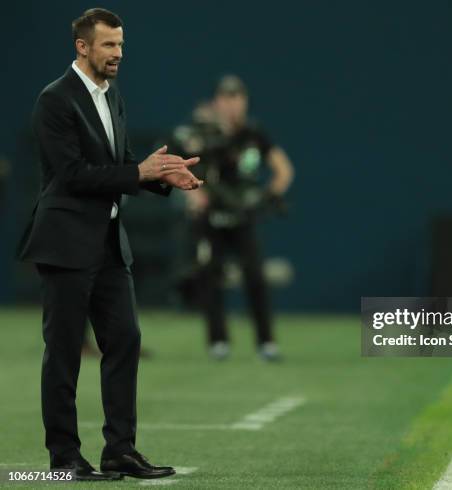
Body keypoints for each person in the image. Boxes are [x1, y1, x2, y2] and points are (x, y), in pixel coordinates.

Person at [16, 8, 202, 481]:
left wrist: (160, 177)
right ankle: (63, 458)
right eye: (108, 46)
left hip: (108, 245)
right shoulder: (54, 100)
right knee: (63, 353)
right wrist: (136, 173)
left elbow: (120, 162)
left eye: (120, 45)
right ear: (82, 47)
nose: (118, 54)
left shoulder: (111, 95)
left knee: (125, 340)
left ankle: (120, 450)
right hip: (64, 244)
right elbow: (72, 175)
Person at [181, 75, 294, 361]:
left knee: (255, 277)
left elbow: (283, 169)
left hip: (243, 217)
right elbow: (184, 169)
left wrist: (267, 197)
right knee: (210, 277)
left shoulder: (254, 134)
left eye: (237, 98)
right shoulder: (203, 133)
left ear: (244, 101)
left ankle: (266, 341)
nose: (231, 104)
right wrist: (194, 195)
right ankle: (218, 341)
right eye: (225, 98)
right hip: (211, 217)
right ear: (217, 101)